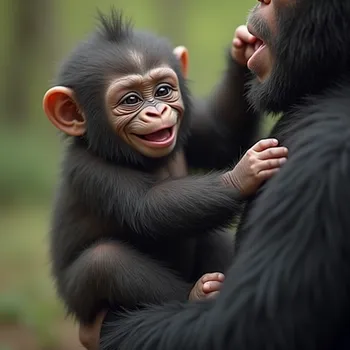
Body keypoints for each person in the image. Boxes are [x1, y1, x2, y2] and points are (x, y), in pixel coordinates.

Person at [82, 0, 350, 348]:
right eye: (130, 99)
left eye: (164, 90)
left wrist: (113, 333)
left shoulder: (331, 154)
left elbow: (254, 336)